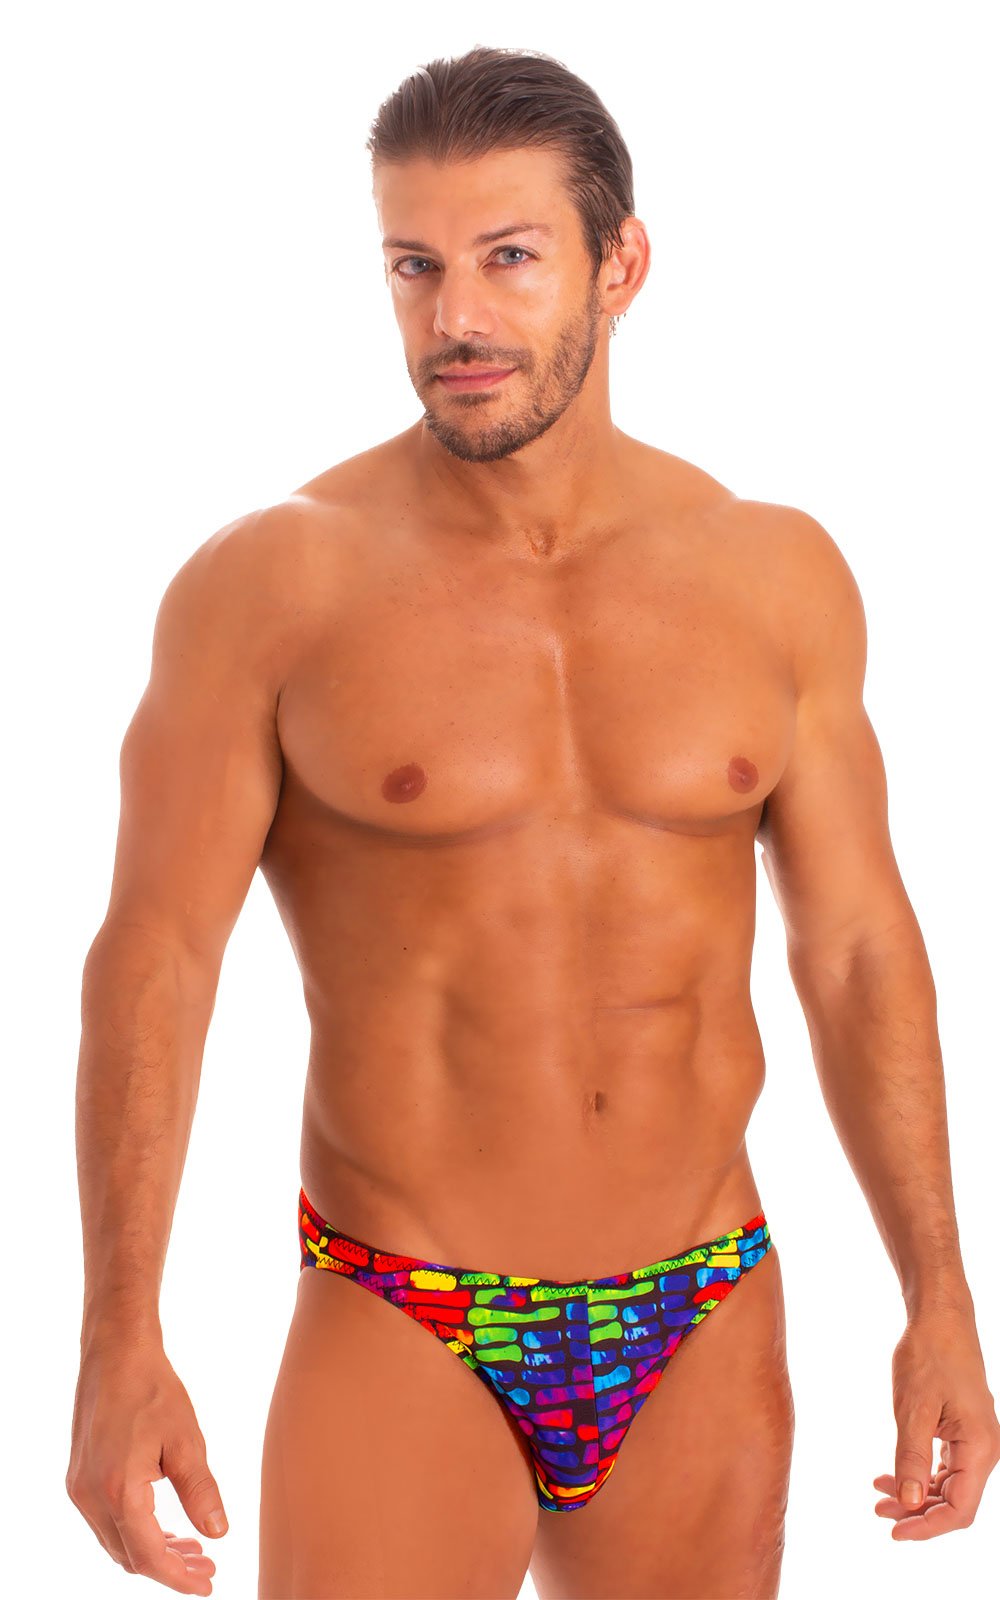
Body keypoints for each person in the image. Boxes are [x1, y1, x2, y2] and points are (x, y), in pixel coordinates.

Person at [66, 43, 999, 1600]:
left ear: (620, 265)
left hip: (705, 1298)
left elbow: (854, 947)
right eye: (415, 266)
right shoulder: (273, 586)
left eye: (508, 258)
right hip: (409, 1303)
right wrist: (118, 1337)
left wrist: (942, 1294)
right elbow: (155, 954)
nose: (456, 320)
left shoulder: (774, 576)